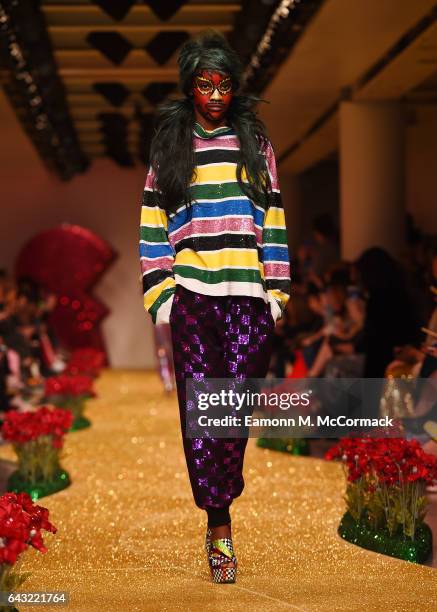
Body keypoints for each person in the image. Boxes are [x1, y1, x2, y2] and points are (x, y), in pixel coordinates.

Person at [139, 31, 291, 583]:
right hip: (196, 299)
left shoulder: (256, 146)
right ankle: (219, 522)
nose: (215, 94)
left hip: (249, 301)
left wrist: (276, 295)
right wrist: (162, 296)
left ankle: (221, 502)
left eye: (224, 84)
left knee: (234, 417)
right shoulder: (171, 148)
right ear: (189, 87)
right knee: (201, 419)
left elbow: (273, 218)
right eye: (204, 84)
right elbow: (152, 222)